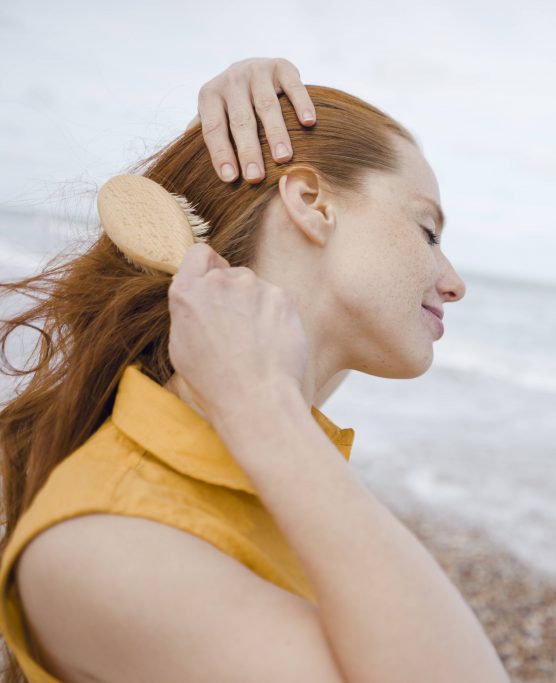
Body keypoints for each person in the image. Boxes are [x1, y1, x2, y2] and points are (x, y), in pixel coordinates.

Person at [0, 59, 509, 683]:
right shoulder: (100, 543)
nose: (453, 284)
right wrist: (266, 412)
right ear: (311, 202)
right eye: (428, 231)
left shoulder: (275, 472)